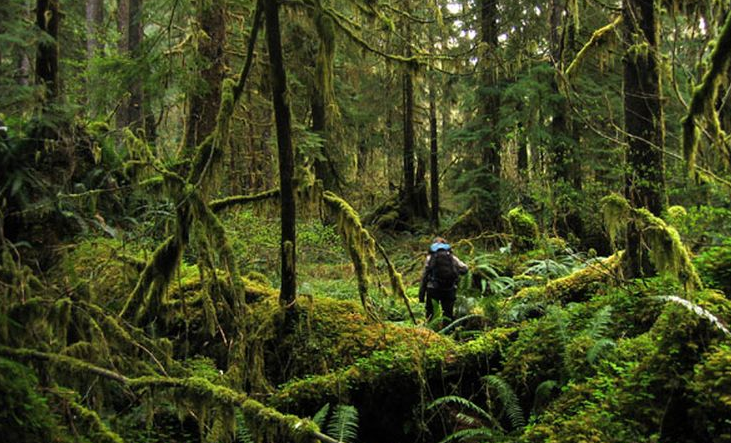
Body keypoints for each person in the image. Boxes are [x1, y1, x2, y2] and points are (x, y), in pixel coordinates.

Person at [418, 237, 468, 322]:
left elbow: (424, 276)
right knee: (448, 313)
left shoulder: (430, 258)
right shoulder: (452, 257)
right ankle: (448, 332)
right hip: (449, 289)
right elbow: (465, 269)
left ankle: (431, 332)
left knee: (431, 313)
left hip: (433, 288)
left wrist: (421, 295)